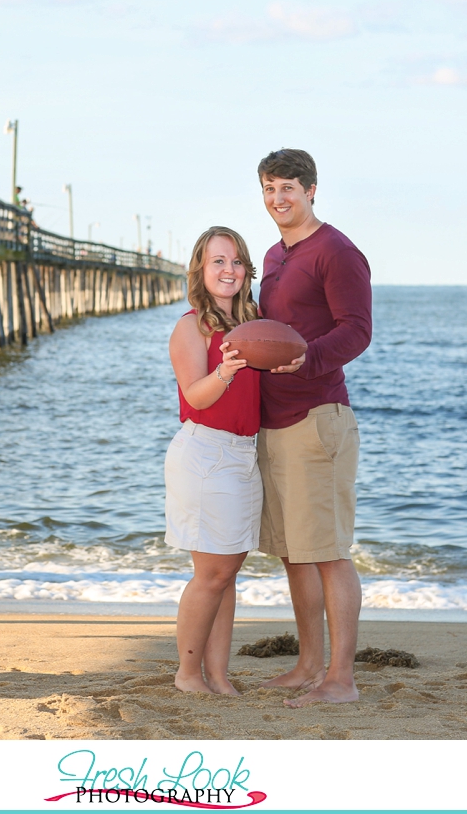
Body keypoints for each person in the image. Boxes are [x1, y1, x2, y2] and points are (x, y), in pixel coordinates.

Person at [255, 148, 372, 707]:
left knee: (327, 551)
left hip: (317, 418)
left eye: (288, 188)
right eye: (270, 188)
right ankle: (307, 665)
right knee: (293, 550)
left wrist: (309, 359)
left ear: (312, 190)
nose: (279, 199)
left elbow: (357, 331)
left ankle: (341, 679)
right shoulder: (275, 256)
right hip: (272, 422)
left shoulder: (337, 251)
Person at [165, 226, 262, 695]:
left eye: (236, 261)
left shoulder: (254, 324)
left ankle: (218, 675)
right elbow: (196, 397)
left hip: (245, 454)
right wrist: (225, 369)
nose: (229, 270)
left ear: (247, 270)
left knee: (227, 572)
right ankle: (187, 674)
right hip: (205, 452)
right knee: (211, 573)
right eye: (218, 261)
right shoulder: (190, 327)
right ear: (201, 271)